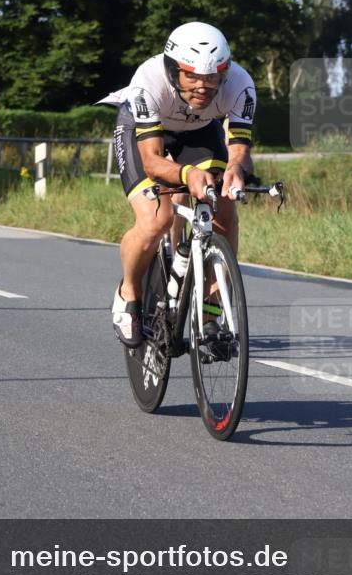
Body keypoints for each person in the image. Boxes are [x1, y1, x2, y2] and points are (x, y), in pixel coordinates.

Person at [104, 21, 256, 347]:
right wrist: (186, 174)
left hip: (200, 131)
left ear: (224, 72)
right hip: (143, 131)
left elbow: (240, 147)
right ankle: (129, 291)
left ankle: (211, 310)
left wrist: (234, 169)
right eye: (192, 76)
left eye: (213, 76)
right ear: (174, 71)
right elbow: (152, 161)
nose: (203, 86)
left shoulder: (241, 85)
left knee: (223, 208)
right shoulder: (148, 81)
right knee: (155, 220)